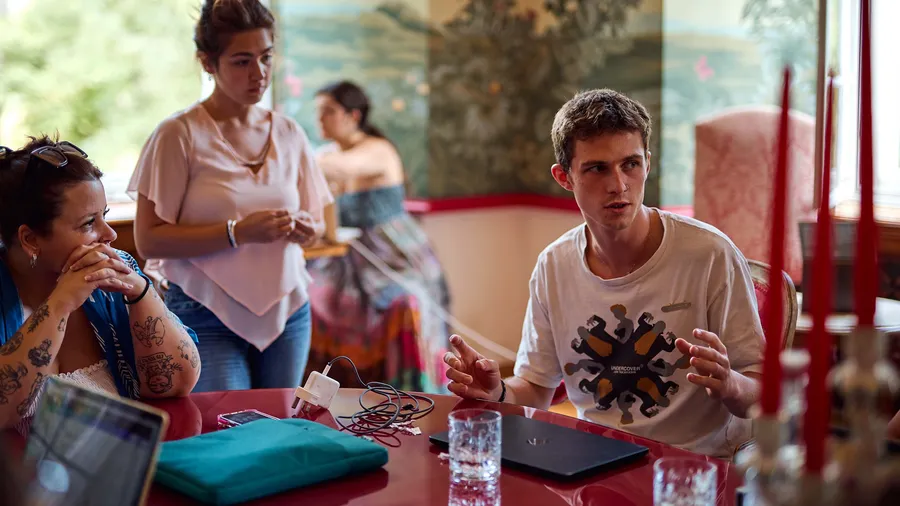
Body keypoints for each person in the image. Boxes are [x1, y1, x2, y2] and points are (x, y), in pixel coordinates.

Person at [443, 89, 765, 458]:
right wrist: (498, 392)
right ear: (564, 177)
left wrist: (730, 385)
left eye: (630, 164)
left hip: (694, 465)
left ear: (648, 162)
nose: (618, 184)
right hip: (594, 461)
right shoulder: (554, 266)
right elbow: (534, 388)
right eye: (597, 168)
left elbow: (761, 398)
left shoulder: (710, 254)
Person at [129, 0, 332, 392]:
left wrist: (307, 229)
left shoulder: (290, 133)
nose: (259, 73)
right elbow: (148, 238)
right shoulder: (178, 134)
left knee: (282, 430)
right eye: (242, 61)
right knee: (230, 435)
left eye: (266, 58)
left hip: (288, 310)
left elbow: (319, 223)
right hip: (203, 311)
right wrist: (237, 232)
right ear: (208, 63)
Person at [0, 137, 200, 431]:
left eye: (104, 216)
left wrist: (140, 293)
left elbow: (175, 385)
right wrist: (59, 304)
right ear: (30, 240)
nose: (110, 235)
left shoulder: (117, 269)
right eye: (88, 224)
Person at [308, 80, 451, 392]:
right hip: (345, 259)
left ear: (353, 116)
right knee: (307, 296)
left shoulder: (377, 150)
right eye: (318, 112)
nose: (320, 119)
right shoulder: (325, 154)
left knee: (404, 302)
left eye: (328, 111)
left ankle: (412, 393)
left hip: (392, 254)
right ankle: (336, 392)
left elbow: (341, 169)